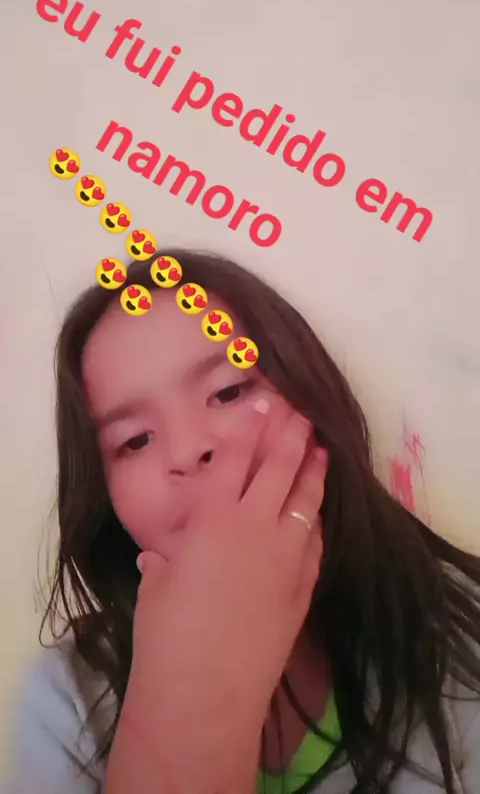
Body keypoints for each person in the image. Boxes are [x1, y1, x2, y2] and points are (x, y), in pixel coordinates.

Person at [7, 248, 480, 794]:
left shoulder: (456, 634)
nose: (188, 449)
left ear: (315, 402)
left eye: (229, 391)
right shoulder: (68, 697)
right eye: (133, 440)